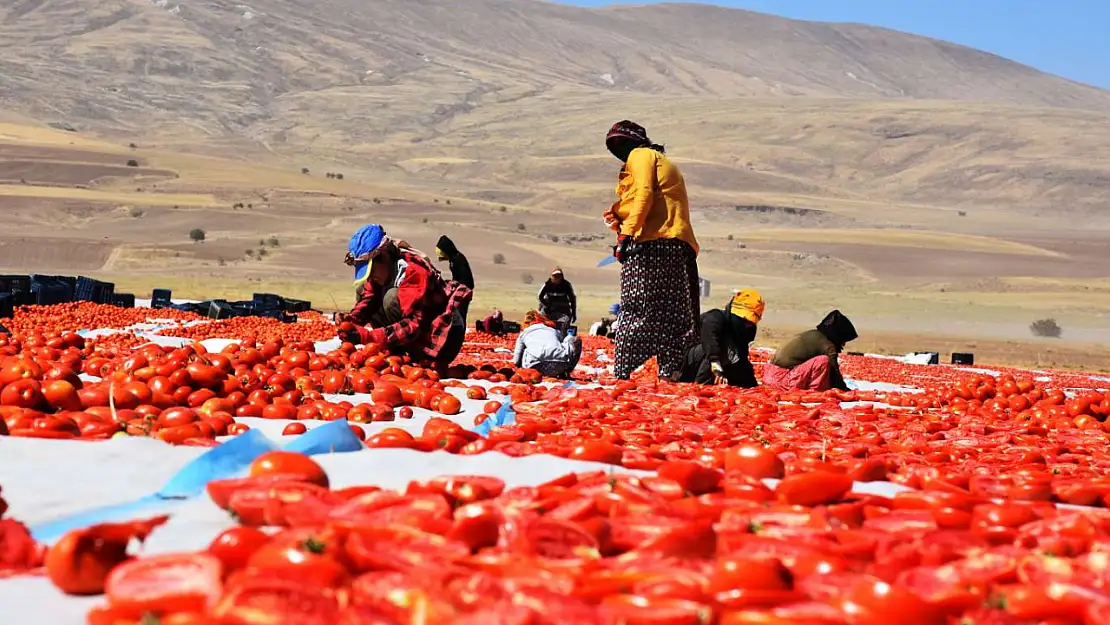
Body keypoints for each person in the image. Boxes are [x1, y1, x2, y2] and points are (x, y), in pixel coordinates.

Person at [602, 120, 700, 380]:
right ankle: (671, 371)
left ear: (634, 141)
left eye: (621, 143)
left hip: (653, 242)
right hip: (676, 244)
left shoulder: (641, 155)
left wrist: (626, 233)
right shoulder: (659, 160)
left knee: (638, 306)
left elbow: (644, 192)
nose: (619, 150)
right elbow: (644, 199)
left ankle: (622, 373)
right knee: (675, 313)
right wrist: (618, 214)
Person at [336, 224, 472, 369]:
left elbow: (414, 323)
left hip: (439, 339)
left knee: (391, 297)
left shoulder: (414, 273)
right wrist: (351, 322)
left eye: (371, 269)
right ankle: (397, 352)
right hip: (414, 332)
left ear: (384, 256)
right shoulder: (383, 271)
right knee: (363, 289)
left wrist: (371, 337)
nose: (370, 275)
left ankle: (413, 355)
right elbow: (368, 299)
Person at [678, 289, 764, 387]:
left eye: (750, 323)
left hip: (714, 362)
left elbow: (741, 360)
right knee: (723, 348)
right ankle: (702, 386)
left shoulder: (744, 332)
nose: (747, 326)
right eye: (744, 320)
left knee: (735, 359)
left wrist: (752, 386)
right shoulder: (715, 317)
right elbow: (710, 336)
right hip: (687, 363)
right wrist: (715, 363)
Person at [763, 310, 858, 392]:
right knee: (823, 361)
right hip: (783, 380)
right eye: (843, 341)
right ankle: (815, 392)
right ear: (838, 336)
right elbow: (834, 374)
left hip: (769, 375)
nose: (843, 345)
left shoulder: (813, 334)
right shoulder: (828, 346)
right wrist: (844, 390)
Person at [513, 310, 582, 379]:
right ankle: (566, 372)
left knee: (525, 349)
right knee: (575, 340)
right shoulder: (554, 330)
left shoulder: (524, 333)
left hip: (534, 368)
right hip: (560, 365)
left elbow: (516, 360)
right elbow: (562, 343)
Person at [435, 235, 474, 324]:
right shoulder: (454, 259)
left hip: (464, 292)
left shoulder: (458, 260)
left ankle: (459, 335)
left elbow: (465, 279)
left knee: (460, 314)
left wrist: (455, 286)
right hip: (460, 291)